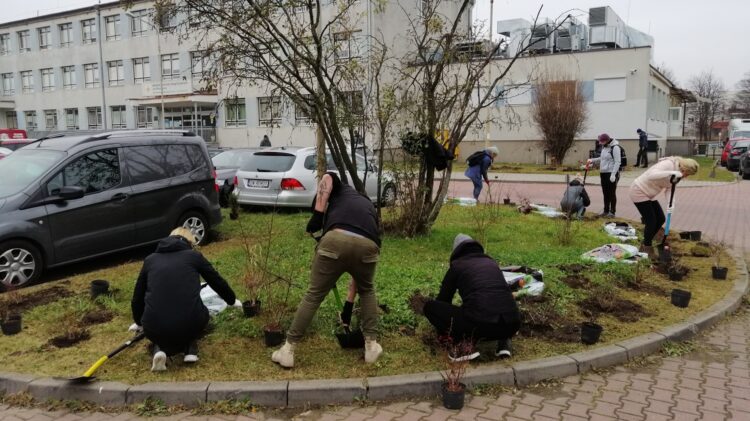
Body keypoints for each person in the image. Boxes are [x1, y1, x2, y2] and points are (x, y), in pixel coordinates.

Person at [272, 172, 382, 368]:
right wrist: (348, 306)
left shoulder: (340, 188)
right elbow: (358, 271)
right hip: (369, 245)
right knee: (367, 290)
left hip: (335, 240)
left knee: (314, 294)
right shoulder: (366, 205)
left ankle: (288, 350)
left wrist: (318, 215)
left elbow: (327, 178)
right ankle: (371, 347)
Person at [131, 228, 241, 371]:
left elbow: (137, 297)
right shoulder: (193, 256)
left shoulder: (150, 260)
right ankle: (190, 349)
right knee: (196, 316)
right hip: (191, 323)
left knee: (161, 330)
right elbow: (216, 281)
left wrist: (139, 322)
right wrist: (232, 300)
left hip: (153, 325)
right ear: (190, 242)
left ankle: (159, 349)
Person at [412, 234, 520, 360]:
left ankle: (463, 348)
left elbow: (443, 300)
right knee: (497, 304)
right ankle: (504, 344)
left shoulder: (457, 266)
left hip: (482, 325)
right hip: (512, 324)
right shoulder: (491, 263)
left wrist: (443, 331)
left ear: (456, 251)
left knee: (431, 307)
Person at [629, 157, 699, 259]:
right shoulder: (668, 164)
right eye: (687, 173)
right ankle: (646, 248)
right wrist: (671, 172)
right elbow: (651, 176)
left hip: (649, 194)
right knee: (651, 221)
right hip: (638, 190)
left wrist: (671, 203)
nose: (686, 176)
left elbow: (670, 189)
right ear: (684, 168)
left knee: (661, 219)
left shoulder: (678, 175)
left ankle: (646, 240)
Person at [587, 133, 622, 217]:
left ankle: (612, 212)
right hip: (603, 173)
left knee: (611, 193)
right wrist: (592, 160)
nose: (600, 143)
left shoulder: (615, 147)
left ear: (606, 141)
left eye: (601, 142)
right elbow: (602, 159)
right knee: (605, 193)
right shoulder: (604, 147)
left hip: (611, 173)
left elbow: (618, 162)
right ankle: (605, 211)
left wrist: (613, 174)